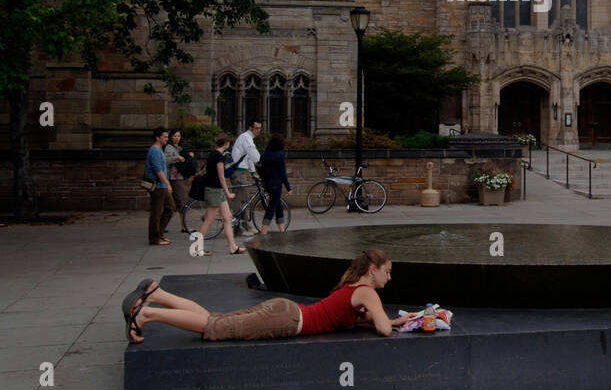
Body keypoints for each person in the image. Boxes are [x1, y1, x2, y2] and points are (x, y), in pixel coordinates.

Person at [124, 248, 412, 343]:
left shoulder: (354, 288)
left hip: (286, 310)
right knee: (214, 328)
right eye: (387, 271)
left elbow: (350, 320)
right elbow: (383, 330)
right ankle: (147, 313)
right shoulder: (367, 292)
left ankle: (157, 293)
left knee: (215, 319)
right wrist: (388, 321)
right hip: (286, 320)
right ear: (373, 271)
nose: (390, 277)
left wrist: (397, 321)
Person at [200, 133, 248, 257]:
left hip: (216, 190)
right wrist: (228, 192)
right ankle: (197, 247)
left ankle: (233, 247)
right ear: (226, 144)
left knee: (227, 218)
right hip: (215, 190)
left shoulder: (213, 154)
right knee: (209, 220)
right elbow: (221, 176)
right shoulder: (219, 157)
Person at [229, 120, 262, 234]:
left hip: (241, 172)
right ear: (250, 128)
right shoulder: (246, 138)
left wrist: (253, 173)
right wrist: (262, 164)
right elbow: (253, 153)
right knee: (240, 200)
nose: (258, 130)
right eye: (256, 128)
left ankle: (243, 226)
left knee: (244, 199)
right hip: (238, 173)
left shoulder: (247, 138)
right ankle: (239, 227)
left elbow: (248, 157)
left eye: (259, 128)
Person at [144, 126, 174, 247]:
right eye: (165, 137)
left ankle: (159, 233)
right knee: (156, 212)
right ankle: (154, 238)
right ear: (158, 138)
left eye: (167, 136)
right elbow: (158, 169)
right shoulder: (155, 150)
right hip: (158, 185)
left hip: (162, 185)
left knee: (170, 207)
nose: (167, 139)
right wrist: (167, 184)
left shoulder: (159, 150)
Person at [257, 133, 291, 235]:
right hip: (276, 184)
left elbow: (260, 168)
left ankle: (282, 230)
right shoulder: (279, 155)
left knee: (278, 205)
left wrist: (263, 179)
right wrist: (288, 188)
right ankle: (264, 231)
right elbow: (283, 173)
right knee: (272, 208)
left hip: (267, 184)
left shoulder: (264, 155)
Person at [163, 128, 194, 224]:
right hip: (174, 177)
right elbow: (166, 160)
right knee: (182, 200)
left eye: (179, 136)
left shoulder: (179, 148)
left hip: (178, 176)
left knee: (175, 202)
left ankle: (181, 224)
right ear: (171, 137)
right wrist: (177, 158)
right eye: (175, 136)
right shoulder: (169, 148)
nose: (177, 138)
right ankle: (183, 225)